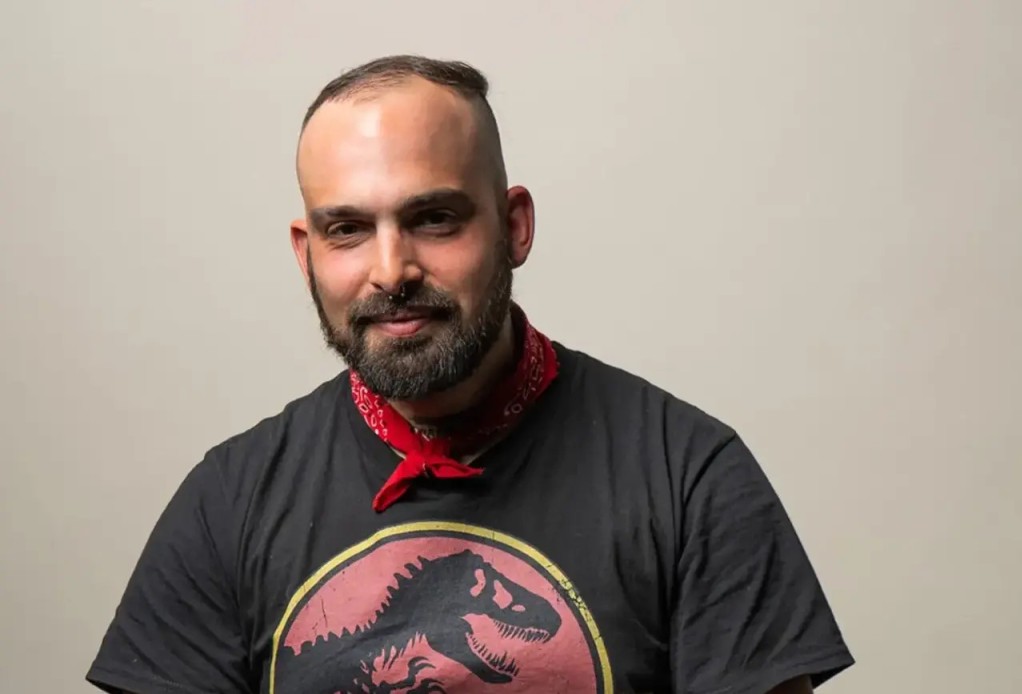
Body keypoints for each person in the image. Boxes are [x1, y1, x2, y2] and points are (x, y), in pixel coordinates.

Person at [87, 55, 854, 694]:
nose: (391, 270)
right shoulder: (228, 502)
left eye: (434, 219)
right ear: (306, 253)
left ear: (514, 226)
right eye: (348, 229)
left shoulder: (689, 476)